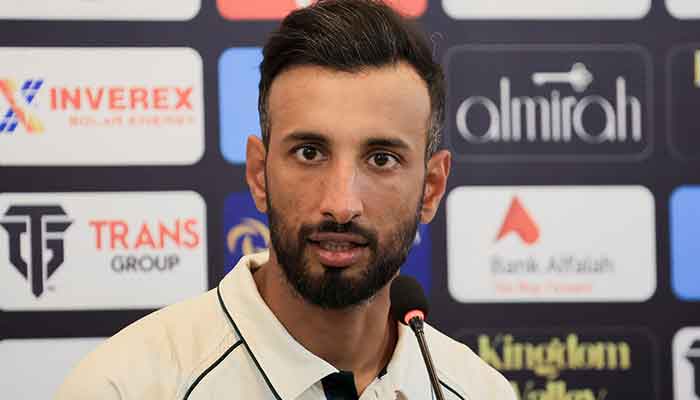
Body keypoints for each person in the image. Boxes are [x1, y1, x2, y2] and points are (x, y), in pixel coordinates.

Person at [56, 1, 515, 399]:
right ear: (259, 174)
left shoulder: (478, 392)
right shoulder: (126, 388)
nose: (341, 203)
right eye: (310, 153)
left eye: (380, 159)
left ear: (431, 188)